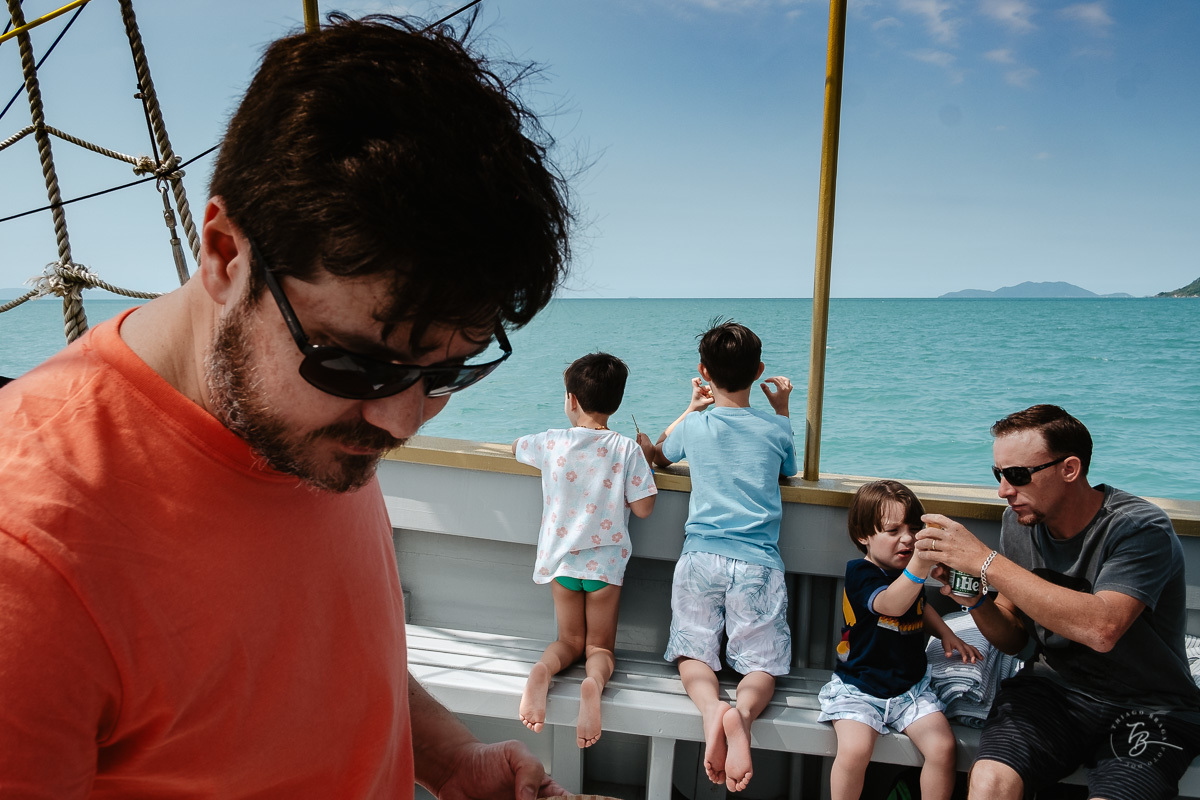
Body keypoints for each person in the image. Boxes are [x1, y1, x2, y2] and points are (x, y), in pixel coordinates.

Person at [0, 13, 574, 799]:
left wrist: (446, 759)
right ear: (226, 254)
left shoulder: (318, 419)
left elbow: (318, 660)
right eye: (355, 365)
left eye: (448, 374)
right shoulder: (30, 555)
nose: (402, 422)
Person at [914, 404, 1200, 800]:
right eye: (998, 474)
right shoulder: (1017, 523)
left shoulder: (1138, 528)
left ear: (1070, 469)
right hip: (1055, 691)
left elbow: (1102, 629)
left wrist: (986, 562)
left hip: (1150, 706)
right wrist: (977, 600)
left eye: (1018, 475)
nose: (1004, 491)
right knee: (988, 783)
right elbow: (1014, 637)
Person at [650, 319, 797, 792]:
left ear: (702, 371)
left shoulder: (695, 424)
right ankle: (744, 715)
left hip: (701, 557)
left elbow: (658, 454)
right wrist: (784, 408)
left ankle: (713, 710)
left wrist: (690, 406)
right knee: (761, 664)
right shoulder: (776, 429)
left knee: (693, 651)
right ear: (758, 371)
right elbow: (788, 470)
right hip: (758, 563)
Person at [512, 353, 657, 748]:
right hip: (604, 567)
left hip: (562, 563)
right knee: (597, 647)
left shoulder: (551, 441)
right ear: (617, 401)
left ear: (571, 400)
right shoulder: (627, 449)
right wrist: (645, 458)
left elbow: (515, 447)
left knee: (568, 643)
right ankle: (593, 683)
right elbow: (644, 508)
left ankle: (544, 669)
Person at [819, 480, 981, 800]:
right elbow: (893, 604)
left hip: (910, 689)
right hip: (860, 687)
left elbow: (920, 606)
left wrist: (947, 634)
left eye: (912, 528)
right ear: (864, 535)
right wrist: (920, 565)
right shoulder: (861, 574)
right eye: (893, 531)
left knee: (943, 748)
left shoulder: (908, 572)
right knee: (854, 751)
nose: (907, 538)